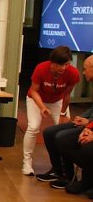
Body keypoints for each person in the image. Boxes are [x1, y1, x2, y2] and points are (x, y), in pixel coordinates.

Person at [36, 56, 93, 189]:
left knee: (62, 138)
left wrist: (88, 123)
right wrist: (81, 118)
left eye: (85, 69)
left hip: (90, 125)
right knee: (49, 132)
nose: (83, 72)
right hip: (88, 123)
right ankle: (59, 172)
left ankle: (74, 176)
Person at [22, 45, 80, 176]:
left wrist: (63, 114)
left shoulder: (73, 73)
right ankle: (27, 162)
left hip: (58, 100)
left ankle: (62, 167)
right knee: (33, 127)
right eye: (60, 65)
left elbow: (67, 94)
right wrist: (42, 107)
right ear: (52, 63)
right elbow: (34, 91)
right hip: (36, 99)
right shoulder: (41, 68)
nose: (63, 68)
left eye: (66, 64)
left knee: (64, 130)